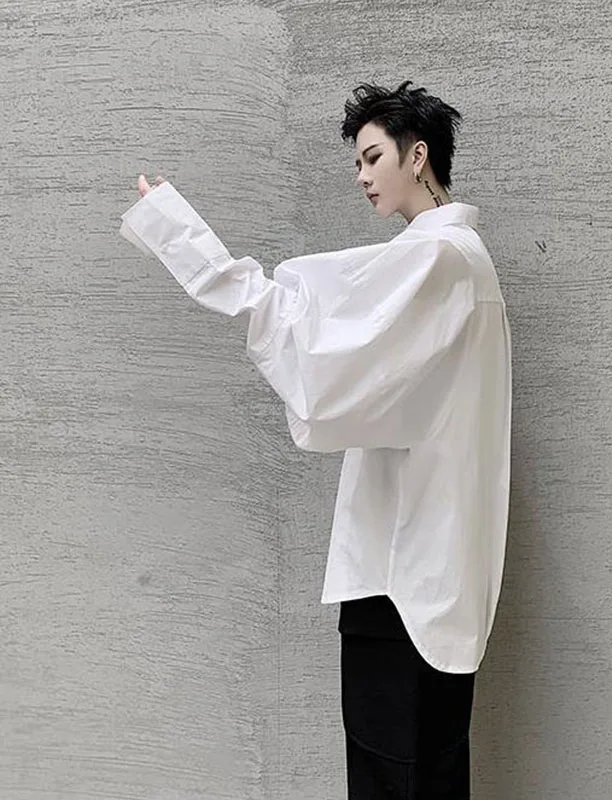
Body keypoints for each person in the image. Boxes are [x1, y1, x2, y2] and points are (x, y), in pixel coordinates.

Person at [119, 79, 512, 799]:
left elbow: (309, 340)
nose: (362, 176)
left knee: (391, 777)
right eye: (357, 162)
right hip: (438, 578)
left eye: (373, 157)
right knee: (432, 773)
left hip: (400, 578)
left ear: (417, 155)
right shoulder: (464, 261)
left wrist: (180, 236)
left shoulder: (436, 260)